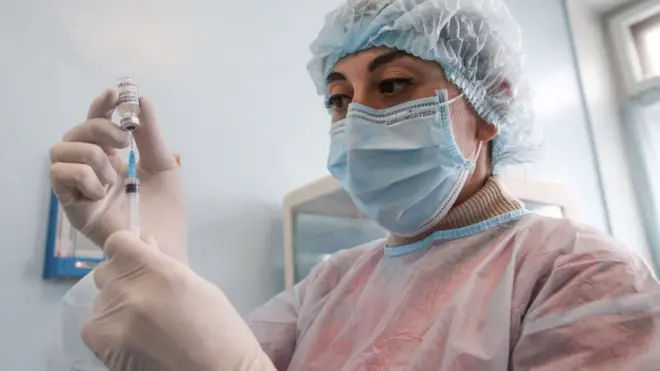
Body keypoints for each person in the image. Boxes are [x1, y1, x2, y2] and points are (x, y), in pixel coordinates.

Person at [48, 0, 660, 370]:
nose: (358, 118)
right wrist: (145, 255)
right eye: (339, 98)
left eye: (393, 85)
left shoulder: (582, 276)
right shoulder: (330, 286)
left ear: (490, 102)